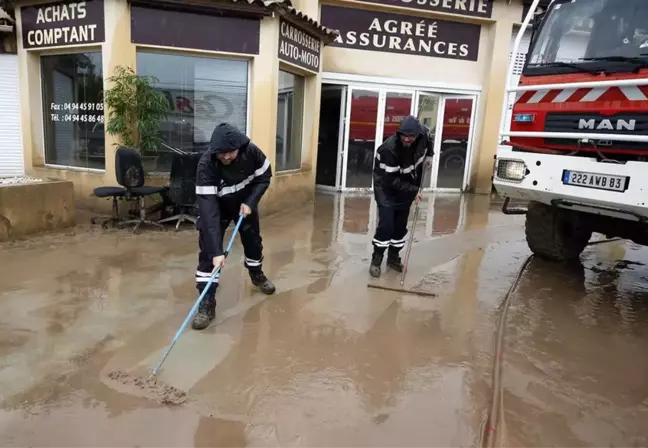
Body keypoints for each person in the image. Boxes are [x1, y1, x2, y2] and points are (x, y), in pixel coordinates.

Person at [192, 122, 276, 330]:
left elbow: (264, 176)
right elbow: (209, 211)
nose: (226, 156)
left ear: (240, 147)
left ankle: (256, 275)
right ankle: (207, 301)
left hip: (244, 205)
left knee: (254, 243)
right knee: (209, 255)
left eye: (230, 152)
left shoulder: (252, 152)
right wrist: (216, 252)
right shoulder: (206, 165)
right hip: (217, 209)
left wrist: (251, 201)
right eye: (222, 153)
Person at [369, 115, 434, 278]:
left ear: (417, 135)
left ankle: (393, 258)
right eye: (404, 135)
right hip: (386, 190)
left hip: (407, 188)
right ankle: (376, 260)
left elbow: (428, 135)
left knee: (400, 227)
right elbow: (390, 180)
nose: (407, 139)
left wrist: (430, 155)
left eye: (411, 136)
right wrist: (414, 190)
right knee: (386, 226)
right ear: (399, 133)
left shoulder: (422, 135)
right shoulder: (389, 149)